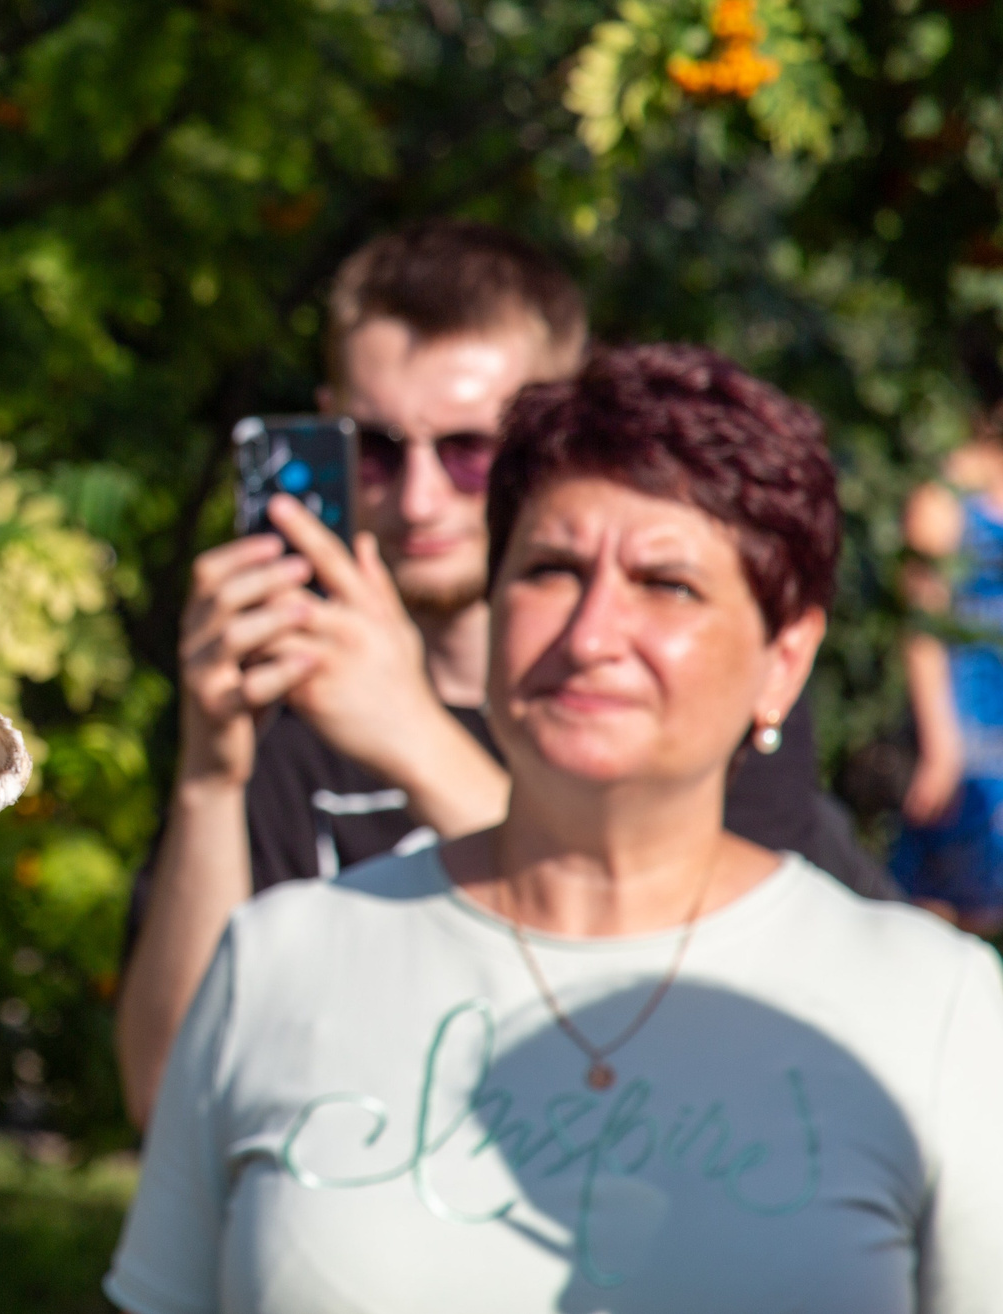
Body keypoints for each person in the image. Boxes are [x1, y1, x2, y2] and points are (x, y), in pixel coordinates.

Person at [105, 344, 1003, 1313]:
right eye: (549, 568)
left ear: (782, 659)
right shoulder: (280, 955)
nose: (588, 634)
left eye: (666, 583)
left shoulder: (929, 1002)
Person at [115, 222, 882, 1129]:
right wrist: (211, 774)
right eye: (380, 448)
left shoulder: (673, 689)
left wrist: (410, 734)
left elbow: (702, 1018)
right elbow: (168, 1099)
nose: (420, 499)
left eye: (471, 450)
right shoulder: (287, 697)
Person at [893, 425, 1003, 932]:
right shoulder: (947, 490)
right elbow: (921, 625)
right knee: (941, 912)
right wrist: (940, 742)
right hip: (963, 717)